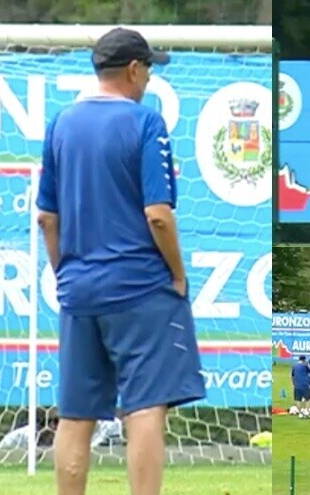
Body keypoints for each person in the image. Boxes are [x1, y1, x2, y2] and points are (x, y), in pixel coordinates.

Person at [35, 27, 206, 495]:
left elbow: (47, 218)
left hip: (80, 289)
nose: (149, 79)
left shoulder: (61, 124)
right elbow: (158, 216)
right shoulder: (145, 122)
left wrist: (65, 272)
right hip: (139, 286)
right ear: (134, 69)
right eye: (149, 69)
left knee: (76, 414)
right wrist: (177, 273)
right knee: (146, 406)